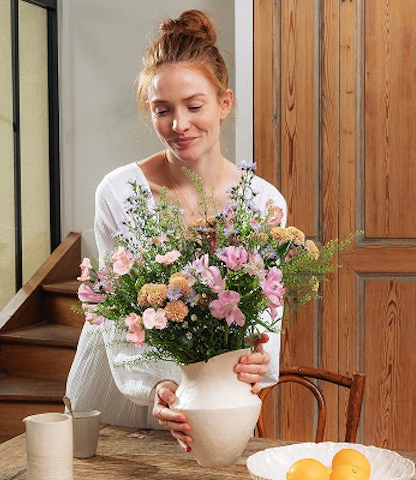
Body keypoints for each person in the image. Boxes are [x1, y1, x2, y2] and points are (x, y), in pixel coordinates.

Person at [65, 9, 287, 453]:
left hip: (210, 398)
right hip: (120, 390)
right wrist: (156, 385)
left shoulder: (263, 202)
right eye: (162, 110)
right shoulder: (119, 192)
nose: (179, 125)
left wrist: (257, 360)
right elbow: (114, 312)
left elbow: (266, 314)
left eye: (194, 106)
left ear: (224, 103)